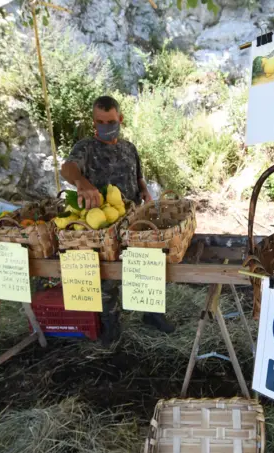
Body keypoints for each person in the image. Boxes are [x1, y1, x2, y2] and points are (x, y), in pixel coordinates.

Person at [61, 95, 175, 344]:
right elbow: (67, 168)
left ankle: (152, 313)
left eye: (110, 121)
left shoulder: (129, 148)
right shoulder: (86, 147)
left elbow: (138, 176)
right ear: (94, 122)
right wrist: (81, 182)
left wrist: (144, 191)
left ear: (120, 119)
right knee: (107, 276)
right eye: (99, 121)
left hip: (133, 220)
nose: (104, 126)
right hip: (103, 225)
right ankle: (110, 324)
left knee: (147, 264)